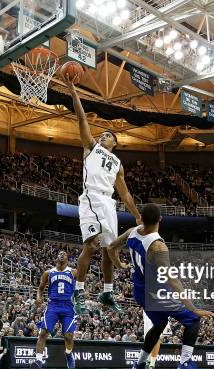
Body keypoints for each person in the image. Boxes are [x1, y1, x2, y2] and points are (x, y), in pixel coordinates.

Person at [107, 203, 214, 369]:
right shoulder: (157, 246)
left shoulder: (131, 232)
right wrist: (194, 308)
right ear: (160, 219)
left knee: (159, 325)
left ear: (141, 219)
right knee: (194, 319)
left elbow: (111, 247)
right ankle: (185, 366)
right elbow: (171, 279)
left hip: (140, 292)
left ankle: (140, 366)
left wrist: (119, 264)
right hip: (156, 294)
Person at [65, 78, 142, 316]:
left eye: (108, 135)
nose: (103, 136)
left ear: (115, 143)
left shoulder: (118, 164)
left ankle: (107, 292)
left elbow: (125, 193)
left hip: (109, 202)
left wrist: (138, 217)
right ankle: (78, 290)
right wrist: (73, 91)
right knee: (91, 246)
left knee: (110, 250)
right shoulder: (90, 147)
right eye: (103, 134)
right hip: (91, 198)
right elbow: (81, 118)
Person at [30, 250, 77, 369]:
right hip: (53, 305)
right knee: (43, 332)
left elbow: (82, 287)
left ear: (67, 258)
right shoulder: (48, 273)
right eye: (59, 253)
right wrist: (39, 297)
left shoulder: (73, 272)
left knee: (68, 336)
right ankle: (38, 362)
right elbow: (40, 289)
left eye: (64, 253)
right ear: (56, 257)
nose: (61, 254)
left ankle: (68, 354)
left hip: (68, 306)